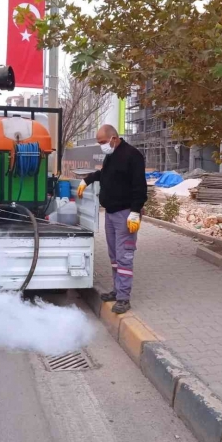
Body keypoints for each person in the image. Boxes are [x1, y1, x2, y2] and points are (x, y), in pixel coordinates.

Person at [77, 125, 147, 314]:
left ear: (114, 138)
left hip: (125, 214)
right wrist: (88, 179)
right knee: (115, 256)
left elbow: (139, 186)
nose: (101, 146)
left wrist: (135, 211)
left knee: (124, 256)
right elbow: (105, 174)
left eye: (102, 142)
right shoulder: (112, 155)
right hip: (110, 213)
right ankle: (117, 290)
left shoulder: (132, 155)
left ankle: (124, 298)